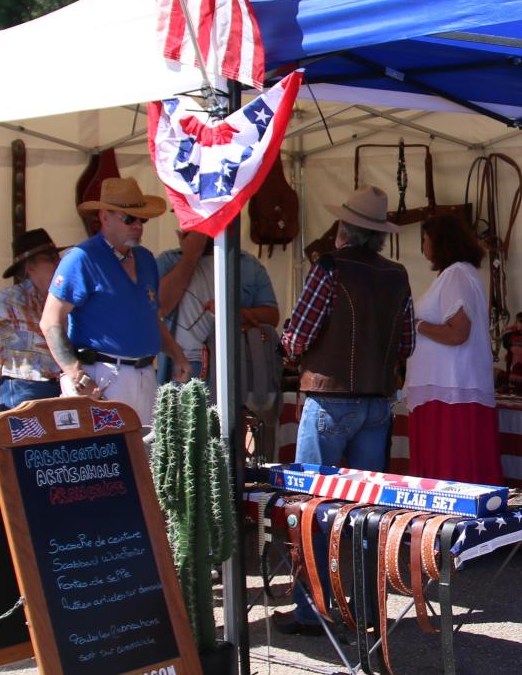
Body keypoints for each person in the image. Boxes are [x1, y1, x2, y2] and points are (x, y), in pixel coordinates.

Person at [276, 186, 416, 634]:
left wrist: (287, 346)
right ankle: (368, 608)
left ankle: (312, 609)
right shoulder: (398, 275)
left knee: (314, 508)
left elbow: (297, 336)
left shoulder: (329, 268)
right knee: (366, 513)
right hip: (377, 402)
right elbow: (408, 343)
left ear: (344, 229)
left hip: (330, 401)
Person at [40, 177, 189, 428]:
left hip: (144, 374)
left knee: (144, 459)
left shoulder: (145, 259)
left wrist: (177, 354)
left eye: (142, 219)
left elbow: (151, 318)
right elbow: (50, 320)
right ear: (104, 217)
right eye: (129, 218)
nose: (138, 225)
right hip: (100, 375)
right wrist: (75, 373)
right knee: (103, 460)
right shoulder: (83, 257)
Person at [405, 211, 500, 485]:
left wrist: (417, 324)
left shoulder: (456, 275)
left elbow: (458, 331)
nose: (423, 248)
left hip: (450, 391)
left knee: (450, 475)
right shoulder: (462, 274)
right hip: (446, 390)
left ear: (439, 241)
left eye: (425, 240)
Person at [0, 228, 65, 409]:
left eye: (57, 257)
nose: (58, 263)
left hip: (61, 386)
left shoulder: (63, 297)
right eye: (49, 259)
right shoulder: (9, 299)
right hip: (23, 388)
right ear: (30, 266)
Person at [155, 229, 280, 383]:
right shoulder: (167, 261)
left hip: (232, 363)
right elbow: (158, 307)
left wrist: (232, 313)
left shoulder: (248, 264)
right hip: (183, 364)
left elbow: (272, 316)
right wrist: (190, 256)